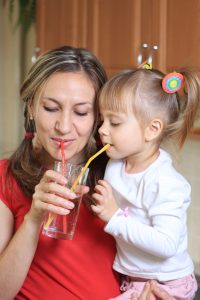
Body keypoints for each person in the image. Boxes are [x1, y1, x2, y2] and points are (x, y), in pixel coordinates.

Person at [0, 45, 121, 299]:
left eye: (80, 112)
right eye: (51, 108)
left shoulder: (119, 176)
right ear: (31, 107)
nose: (64, 126)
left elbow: (159, 253)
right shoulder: (6, 178)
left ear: (97, 117)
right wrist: (34, 218)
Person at [91, 66, 200, 299]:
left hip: (167, 285)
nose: (102, 130)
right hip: (133, 280)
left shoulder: (165, 181)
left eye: (115, 123)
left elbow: (167, 243)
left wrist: (114, 217)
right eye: (102, 120)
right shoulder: (116, 163)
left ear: (152, 129)